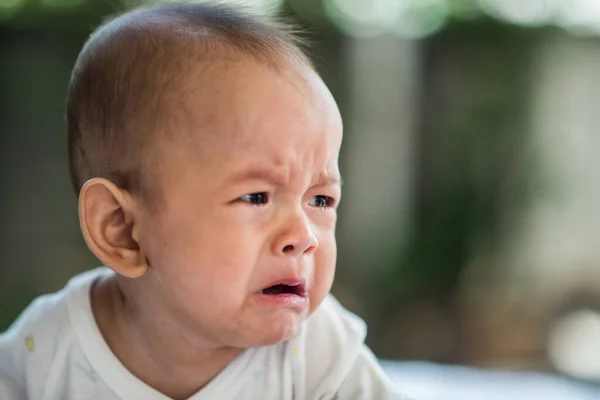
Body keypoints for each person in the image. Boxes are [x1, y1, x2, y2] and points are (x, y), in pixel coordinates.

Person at [0, 2, 406, 399]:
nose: (303, 236)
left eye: (319, 200)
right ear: (122, 229)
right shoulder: (45, 357)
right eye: (256, 196)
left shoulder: (316, 352)